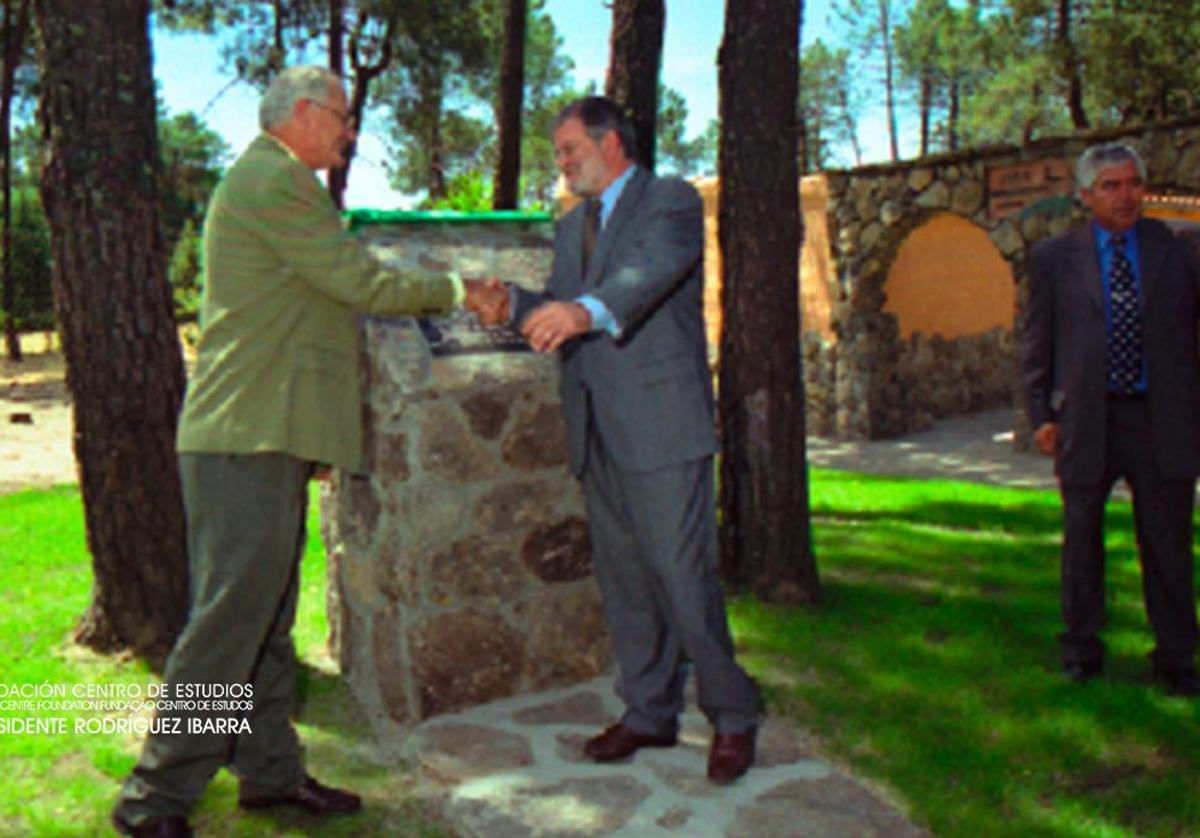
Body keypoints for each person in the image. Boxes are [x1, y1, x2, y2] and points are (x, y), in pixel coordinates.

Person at [111, 65, 505, 838]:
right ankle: (152, 798)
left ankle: (268, 772)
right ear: (301, 112)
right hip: (243, 439)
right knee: (229, 623)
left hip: (266, 436)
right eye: (341, 115)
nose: (348, 130)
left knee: (264, 619)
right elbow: (354, 279)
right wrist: (461, 289)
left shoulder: (273, 184)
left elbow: (307, 313)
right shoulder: (274, 182)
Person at [501, 96, 762, 784]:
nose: (559, 165)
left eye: (568, 150)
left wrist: (577, 311)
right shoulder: (568, 229)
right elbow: (556, 307)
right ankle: (649, 712)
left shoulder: (669, 201)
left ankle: (732, 714)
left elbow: (642, 278)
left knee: (682, 577)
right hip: (598, 428)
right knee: (625, 583)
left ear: (611, 142)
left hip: (662, 426)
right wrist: (507, 303)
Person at [1022, 142, 1200, 697]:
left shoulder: (1179, 250)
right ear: (1085, 195)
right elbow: (1038, 341)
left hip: (1162, 419)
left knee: (1167, 545)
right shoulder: (1055, 259)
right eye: (1110, 186)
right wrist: (1040, 413)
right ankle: (1081, 649)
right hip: (1087, 421)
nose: (1125, 196)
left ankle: (1175, 656)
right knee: (1081, 541)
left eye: (1132, 184)